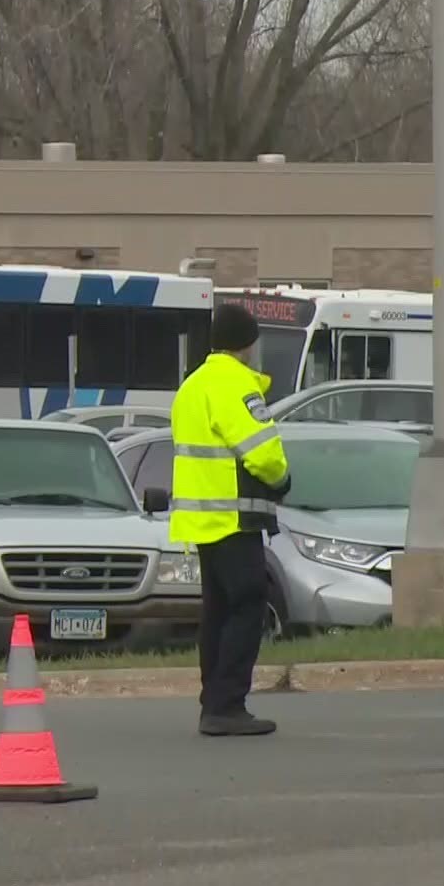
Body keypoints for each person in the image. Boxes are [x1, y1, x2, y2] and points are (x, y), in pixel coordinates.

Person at [169, 304, 292, 736]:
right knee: (248, 601)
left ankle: (214, 702)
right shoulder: (235, 383)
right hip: (233, 516)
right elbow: (261, 451)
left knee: (218, 608)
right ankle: (227, 704)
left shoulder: (192, 385)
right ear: (248, 343)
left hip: (201, 519)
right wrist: (282, 476)